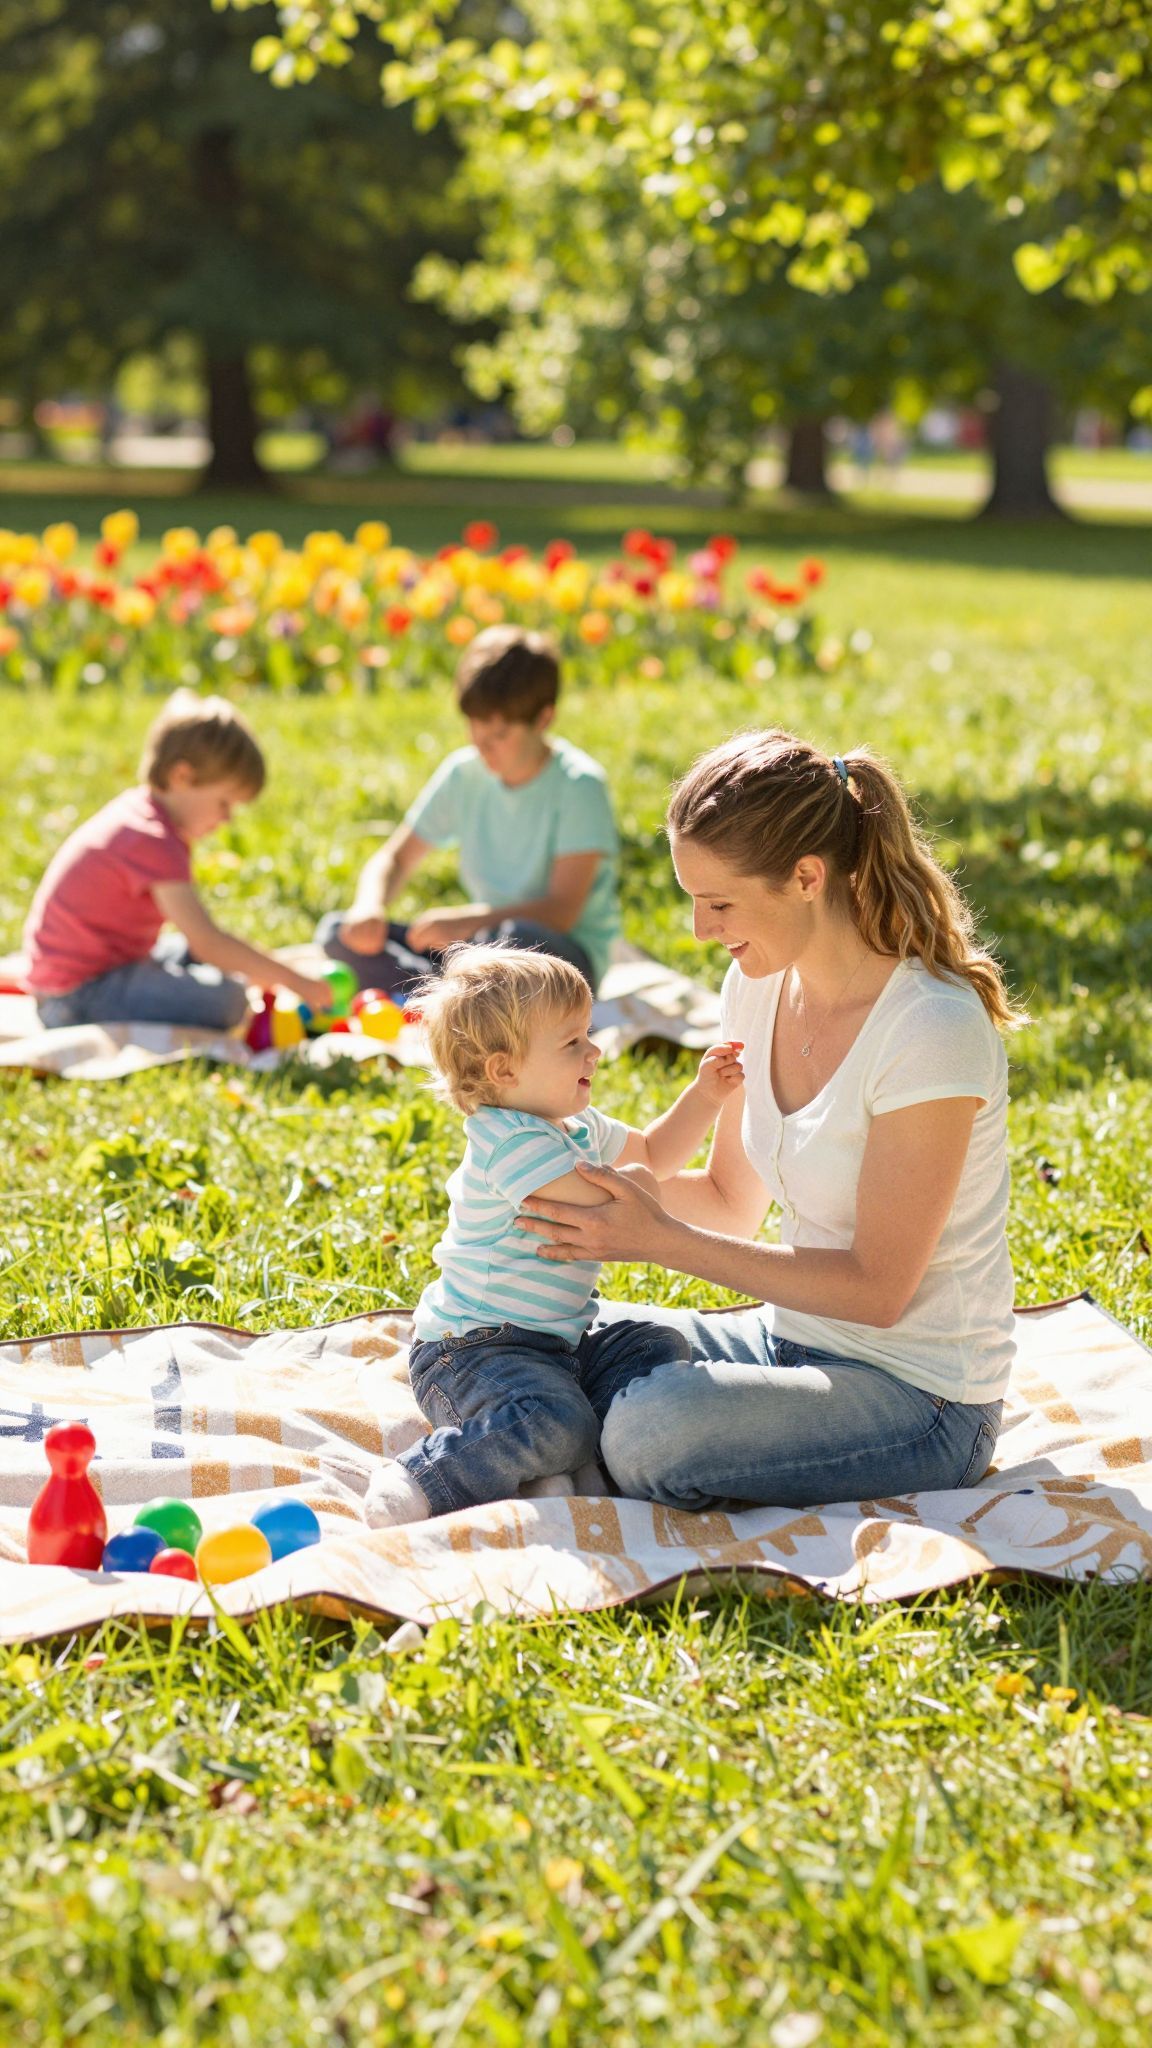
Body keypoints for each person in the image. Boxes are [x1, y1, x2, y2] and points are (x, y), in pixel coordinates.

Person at [515, 729, 1023, 1513]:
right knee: (544, 1334)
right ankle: (565, 1434)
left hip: (921, 1400)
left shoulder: (930, 1029)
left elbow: (878, 1291)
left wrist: (662, 1243)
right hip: (791, 1340)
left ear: (807, 876)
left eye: (718, 903)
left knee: (655, 1430)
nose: (697, 929)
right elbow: (728, 1201)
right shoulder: (757, 986)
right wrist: (588, 1186)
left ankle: (574, 1447)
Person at [363, 944, 744, 1524]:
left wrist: (705, 1096)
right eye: (573, 1043)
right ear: (504, 1070)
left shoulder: (575, 1125)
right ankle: (425, 1477)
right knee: (552, 1419)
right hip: (473, 1353)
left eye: (588, 1034)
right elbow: (613, 1201)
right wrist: (638, 1182)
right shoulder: (506, 1140)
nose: (595, 1050)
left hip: (555, 1346)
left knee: (653, 1345)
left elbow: (655, 1156)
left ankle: (557, 1466)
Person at [317, 624, 621, 998]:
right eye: (475, 729)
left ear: (544, 718)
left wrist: (467, 923)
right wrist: (369, 906)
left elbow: (562, 911)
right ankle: (457, 996)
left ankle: (443, 994)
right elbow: (396, 857)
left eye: (499, 734)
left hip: (555, 958)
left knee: (513, 943)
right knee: (337, 934)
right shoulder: (464, 773)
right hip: (477, 946)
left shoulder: (579, 785)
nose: (483, 746)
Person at [24, 691, 332, 1031]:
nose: (227, 819)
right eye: (224, 803)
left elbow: (199, 940)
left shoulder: (143, 815)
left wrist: (255, 965)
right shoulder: (152, 839)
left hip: (106, 965)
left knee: (189, 952)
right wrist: (294, 980)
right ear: (181, 777)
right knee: (228, 1000)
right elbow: (208, 941)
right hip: (76, 995)